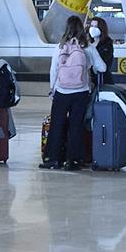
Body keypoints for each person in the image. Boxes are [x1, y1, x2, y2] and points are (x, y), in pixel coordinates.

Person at [44, 15, 94, 170]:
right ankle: (72, 161)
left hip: (61, 91)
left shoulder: (59, 47)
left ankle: (53, 159)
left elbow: (54, 70)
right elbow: (101, 67)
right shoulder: (87, 48)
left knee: (57, 124)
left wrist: (53, 89)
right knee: (76, 125)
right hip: (81, 92)